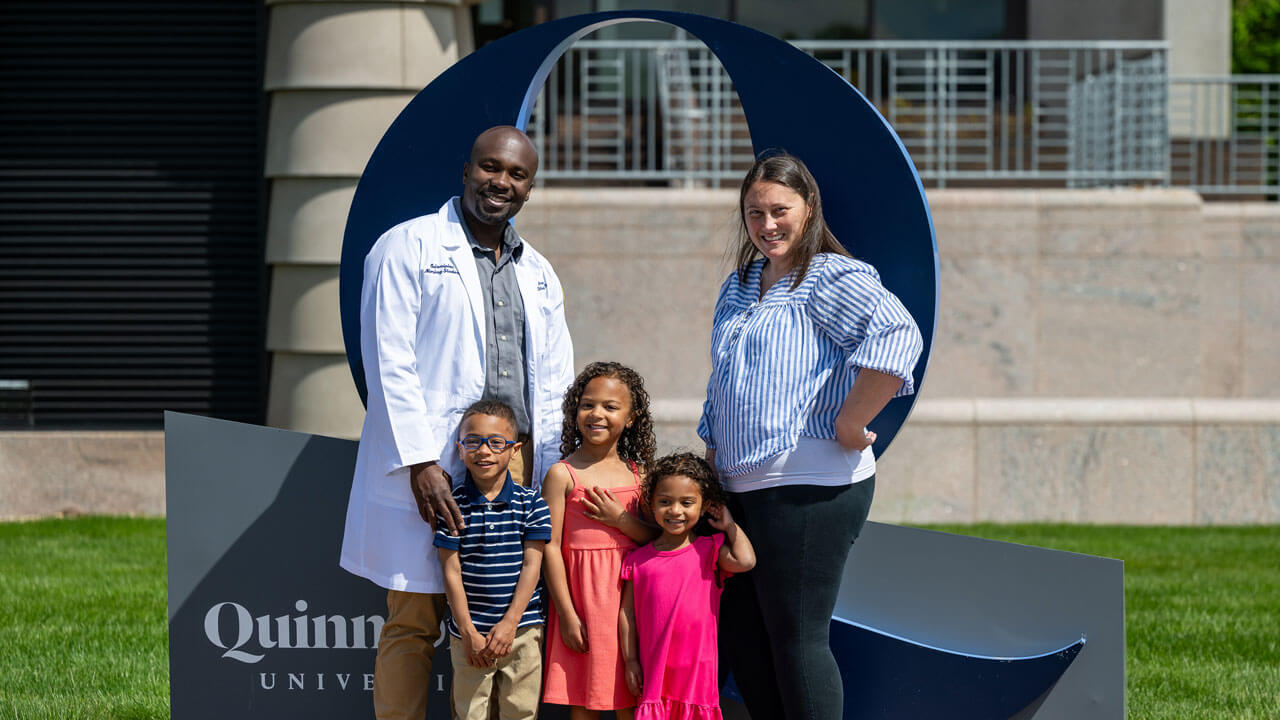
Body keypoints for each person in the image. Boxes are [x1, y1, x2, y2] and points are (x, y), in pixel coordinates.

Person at [339, 125, 574, 720]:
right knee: (415, 619)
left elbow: (555, 381)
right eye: (490, 167)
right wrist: (420, 460)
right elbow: (388, 360)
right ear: (466, 171)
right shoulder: (407, 247)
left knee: (508, 627)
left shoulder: (539, 272)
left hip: (511, 470)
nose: (502, 182)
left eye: (517, 174)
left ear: (530, 188)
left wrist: (547, 470)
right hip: (431, 461)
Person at [697, 152, 923, 720]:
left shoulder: (830, 277)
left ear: (808, 208)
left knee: (797, 641)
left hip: (811, 487)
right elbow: (724, 381)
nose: (767, 224)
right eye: (754, 213)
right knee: (746, 645)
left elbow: (898, 337)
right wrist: (711, 470)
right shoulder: (741, 284)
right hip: (740, 491)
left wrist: (851, 421)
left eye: (780, 210)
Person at [542, 361, 659, 719]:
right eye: (588, 404)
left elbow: (655, 539)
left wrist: (620, 520)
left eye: (611, 407)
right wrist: (566, 613)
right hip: (581, 603)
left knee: (629, 699)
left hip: (629, 606)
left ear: (631, 418)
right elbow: (549, 546)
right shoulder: (562, 474)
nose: (597, 414)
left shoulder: (641, 475)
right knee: (584, 701)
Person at [436, 400, 552, 720]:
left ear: (514, 450)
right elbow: (450, 569)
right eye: (473, 441)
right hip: (469, 637)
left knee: (520, 710)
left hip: (522, 630)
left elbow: (533, 565)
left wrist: (510, 623)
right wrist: (468, 631)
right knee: (469, 712)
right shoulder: (452, 505)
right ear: (460, 449)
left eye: (496, 442)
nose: (484, 450)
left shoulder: (532, 503)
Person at [618, 453, 756, 720]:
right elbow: (627, 616)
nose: (675, 510)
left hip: (697, 677)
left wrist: (730, 526)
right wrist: (631, 661)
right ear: (651, 503)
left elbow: (746, 560)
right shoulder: (638, 560)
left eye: (687, 502)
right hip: (655, 674)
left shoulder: (709, 550)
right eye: (665, 502)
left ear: (704, 507)